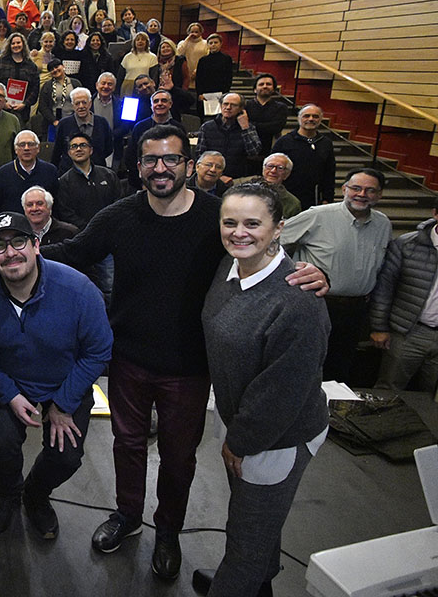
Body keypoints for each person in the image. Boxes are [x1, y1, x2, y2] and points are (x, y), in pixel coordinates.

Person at [41, 124, 327, 582]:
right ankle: (129, 517)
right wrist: (12, 254)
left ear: (188, 166)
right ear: (138, 168)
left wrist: (313, 273)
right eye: (151, 160)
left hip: (191, 369)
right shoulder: (119, 216)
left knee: (179, 458)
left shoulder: (218, 219)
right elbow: (73, 250)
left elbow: (257, 253)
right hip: (129, 360)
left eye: (171, 159)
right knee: (127, 447)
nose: (160, 168)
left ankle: (169, 532)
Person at [195, 181, 329, 597]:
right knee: (255, 522)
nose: (240, 232)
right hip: (241, 424)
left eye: (253, 223)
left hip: (274, 439)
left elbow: (282, 391)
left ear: (279, 228)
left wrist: (242, 440)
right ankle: (260, 586)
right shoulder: (229, 266)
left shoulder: (298, 300)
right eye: (230, 222)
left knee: (246, 545)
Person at [0, 212, 112, 538]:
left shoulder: (77, 290)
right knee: (0, 445)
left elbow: (99, 351)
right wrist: (9, 394)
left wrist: (62, 404)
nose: (11, 253)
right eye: (0, 247)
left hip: (64, 383)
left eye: (19, 242)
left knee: (66, 457)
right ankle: (8, 493)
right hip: (12, 382)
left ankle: (36, 494)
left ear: (36, 245)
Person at [281, 167, 392, 382]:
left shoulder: (383, 224)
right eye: (356, 188)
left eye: (370, 190)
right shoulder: (318, 215)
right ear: (344, 189)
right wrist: (289, 273)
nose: (362, 194)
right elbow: (272, 240)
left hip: (357, 310)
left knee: (340, 370)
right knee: (305, 367)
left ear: (379, 195)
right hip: (317, 304)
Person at [371, 198, 438, 392]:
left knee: (430, 398)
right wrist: (379, 327)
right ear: (435, 213)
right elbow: (384, 289)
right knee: (389, 390)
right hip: (409, 332)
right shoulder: (407, 244)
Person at [272, 104, 335, 210]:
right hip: (287, 196)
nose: (311, 119)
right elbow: (271, 169)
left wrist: (327, 198)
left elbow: (329, 173)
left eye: (315, 116)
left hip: (313, 197)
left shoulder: (326, 143)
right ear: (299, 118)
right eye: (306, 116)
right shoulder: (284, 141)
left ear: (320, 119)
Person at [55, 132, 121, 230]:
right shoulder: (64, 182)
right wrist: (89, 229)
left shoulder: (109, 175)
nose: (78, 149)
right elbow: (66, 213)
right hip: (81, 235)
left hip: (111, 230)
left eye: (83, 145)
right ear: (69, 153)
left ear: (91, 150)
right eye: (74, 146)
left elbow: (118, 203)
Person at [123, 89, 182, 190]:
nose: (159, 104)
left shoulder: (178, 128)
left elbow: (182, 158)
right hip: (141, 185)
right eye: (156, 101)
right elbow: (132, 157)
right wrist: (142, 183)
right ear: (151, 106)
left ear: (170, 104)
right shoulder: (140, 127)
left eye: (163, 101)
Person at [0, 130, 59, 216]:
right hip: (12, 225)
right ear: (15, 149)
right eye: (22, 145)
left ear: (38, 148)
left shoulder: (50, 171)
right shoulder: (3, 173)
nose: (26, 148)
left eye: (31, 144)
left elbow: (56, 205)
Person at [197, 93, 261, 180]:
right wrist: (219, 176)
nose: (228, 108)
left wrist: (245, 129)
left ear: (241, 109)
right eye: (225, 104)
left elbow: (253, 152)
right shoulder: (207, 127)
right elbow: (200, 155)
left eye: (233, 105)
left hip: (237, 177)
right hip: (211, 175)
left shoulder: (248, 127)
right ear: (220, 105)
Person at [51, 87, 111, 173]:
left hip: (97, 172)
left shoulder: (102, 122)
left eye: (84, 102)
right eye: (77, 103)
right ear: (73, 105)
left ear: (90, 103)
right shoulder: (63, 124)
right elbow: (57, 150)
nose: (81, 106)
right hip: (69, 172)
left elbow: (108, 148)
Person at [231, 153, 302, 218]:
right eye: (270, 166)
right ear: (263, 169)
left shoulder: (292, 203)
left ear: (287, 174)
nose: (273, 171)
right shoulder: (241, 187)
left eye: (280, 168)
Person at [245, 73, 290, 157]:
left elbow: (276, 128)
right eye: (261, 84)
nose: (265, 86)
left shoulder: (281, 107)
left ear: (273, 89)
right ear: (255, 89)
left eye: (268, 84)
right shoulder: (245, 106)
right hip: (247, 150)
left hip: (270, 151)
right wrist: (266, 125)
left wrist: (251, 125)